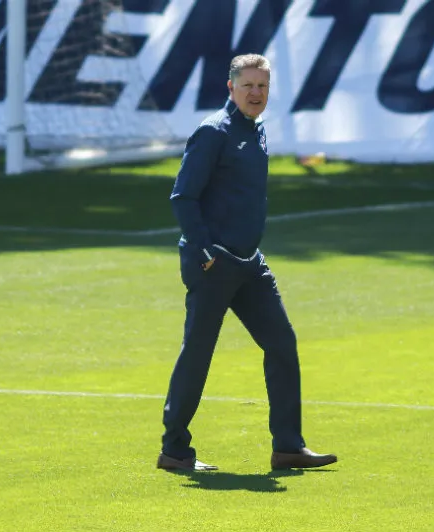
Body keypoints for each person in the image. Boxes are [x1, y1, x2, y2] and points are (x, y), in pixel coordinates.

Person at [156, 54, 337, 472]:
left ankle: (289, 446)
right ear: (231, 87)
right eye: (248, 85)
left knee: (282, 345)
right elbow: (183, 197)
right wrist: (204, 254)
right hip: (215, 264)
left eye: (263, 86)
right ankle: (174, 450)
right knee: (198, 355)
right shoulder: (213, 132)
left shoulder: (256, 131)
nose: (256, 93)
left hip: (250, 264)